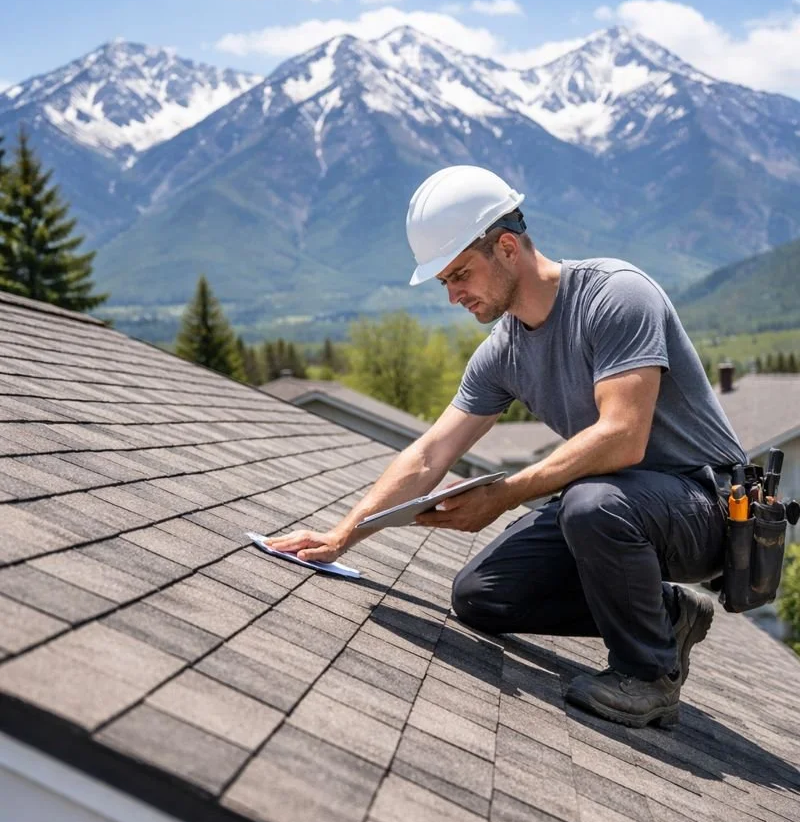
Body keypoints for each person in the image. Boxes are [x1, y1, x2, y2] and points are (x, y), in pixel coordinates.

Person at [266, 165, 747, 728]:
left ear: (508, 248)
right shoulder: (503, 353)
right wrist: (343, 535)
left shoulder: (616, 296)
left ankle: (648, 676)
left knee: (590, 502)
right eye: (444, 282)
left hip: (707, 505)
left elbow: (623, 436)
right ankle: (666, 615)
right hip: (616, 502)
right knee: (481, 596)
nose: (453, 296)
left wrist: (505, 494)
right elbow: (430, 454)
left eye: (460, 274)